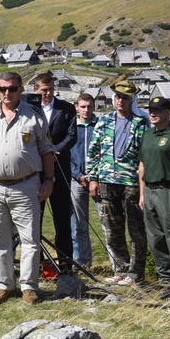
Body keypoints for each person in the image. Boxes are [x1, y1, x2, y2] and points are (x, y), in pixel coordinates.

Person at [0, 72, 55, 305]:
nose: (7, 93)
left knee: (30, 239)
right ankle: (5, 285)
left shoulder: (34, 115)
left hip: (26, 185)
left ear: (20, 90)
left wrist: (49, 180)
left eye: (12, 89)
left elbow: (47, 149)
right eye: (2, 89)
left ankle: (29, 286)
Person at [86, 80, 148, 286]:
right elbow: (93, 152)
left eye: (126, 97)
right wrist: (93, 178)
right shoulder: (105, 121)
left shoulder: (141, 122)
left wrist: (143, 188)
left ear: (132, 100)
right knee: (112, 228)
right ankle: (120, 269)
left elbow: (145, 156)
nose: (121, 101)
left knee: (135, 229)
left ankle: (136, 273)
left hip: (131, 182)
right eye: (118, 97)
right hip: (107, 180)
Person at [32, 71, 77, 272]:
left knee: (62, 218)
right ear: (36, 89)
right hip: (36, 170)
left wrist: (55, 150)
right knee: (35, 218)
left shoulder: (66, 109)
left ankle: (65, 261)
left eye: (50, 90)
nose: (48, 94)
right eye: (44, 90)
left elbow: (72, 135)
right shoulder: (29, 109)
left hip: (60, 167)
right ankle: (38, 261)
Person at [138, 96, 170, 299]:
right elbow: (142, 165)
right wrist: (141, 193)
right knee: (156, 239)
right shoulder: (147, 134)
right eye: (150, 110)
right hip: (150, 191)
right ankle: (167, 282)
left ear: (168, 112)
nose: (152, 113)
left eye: (157, 110)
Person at [69, 93, 98, 268]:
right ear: (77, 107)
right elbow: (67, 155)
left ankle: (117, 265)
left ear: (94, 107)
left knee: (106, 222)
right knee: (78, 223)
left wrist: (94, 176)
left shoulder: (100, 125)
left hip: (98, 180)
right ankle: (82, 261)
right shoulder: (71, 126)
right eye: (83, 106)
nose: (86, 110)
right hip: (76, 180)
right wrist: (79, 176)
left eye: (89, 106)